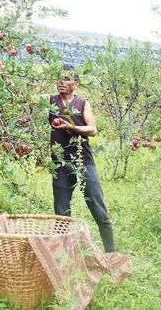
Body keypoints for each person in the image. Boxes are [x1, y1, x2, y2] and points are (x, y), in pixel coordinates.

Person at [48, 64, 115, 253]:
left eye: (66, 79)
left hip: (83, 160)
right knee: (62, 214)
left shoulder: (82, 103)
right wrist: (3, 73)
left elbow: (92, 129)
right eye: (58, 79)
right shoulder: (50, 102)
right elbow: (24, 100)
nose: (61, 83)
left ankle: (111, 255)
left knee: (99, 209)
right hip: (60, 163)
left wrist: (73, 127)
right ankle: (63, 258)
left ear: (75, 83)